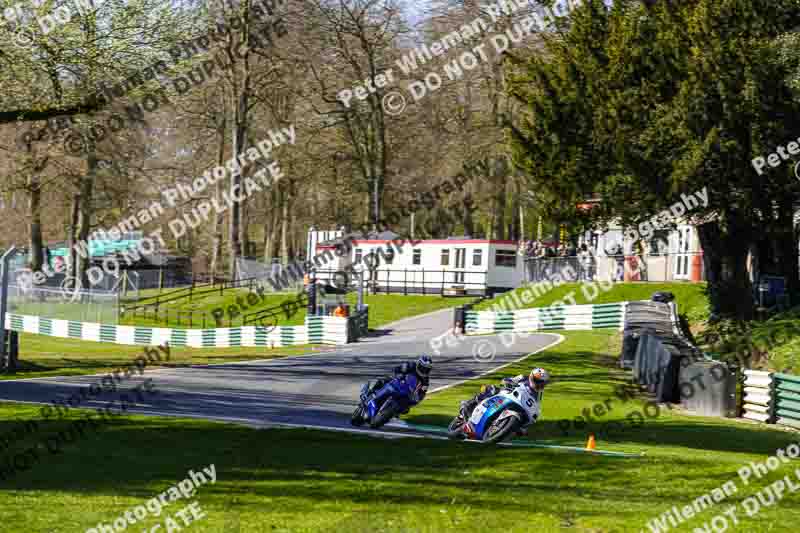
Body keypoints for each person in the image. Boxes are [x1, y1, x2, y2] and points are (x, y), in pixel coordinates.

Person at [459, 368, 551, 432]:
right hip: (507, 393)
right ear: (531, 377)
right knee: (491, 389)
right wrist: (508, 382)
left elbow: (536, 405)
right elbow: (507, 380)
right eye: (538, 381)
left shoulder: (539, 395)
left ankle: (504, 429)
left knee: (523, 425)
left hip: (517, 403)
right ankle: (470, 403)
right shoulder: (523, 378)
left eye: (542, 383)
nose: (539, 385)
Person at [366, 355, 433, 411]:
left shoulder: (425, 381)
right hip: (398, 382)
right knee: (383, 380)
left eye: (427, 369)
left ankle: (390, 413)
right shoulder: (411, 365)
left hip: (407, 393)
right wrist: (399, 374)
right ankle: (371, 393)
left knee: (406, 409)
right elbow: (398, 368)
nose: (424, 371)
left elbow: (422, 393)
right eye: (423, 368)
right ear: (418, 364)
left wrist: (418, 398)